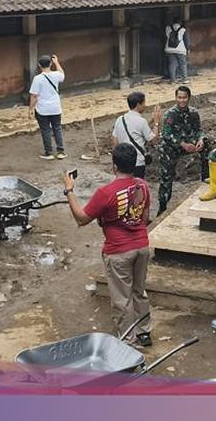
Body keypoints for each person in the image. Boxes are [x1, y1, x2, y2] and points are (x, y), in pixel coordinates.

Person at [64, 144, 153, 346]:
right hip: (142, 246)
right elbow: (145, 218)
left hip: (118, 250)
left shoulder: (106, 192)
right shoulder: (143, 185)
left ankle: (127, 340)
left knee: (122, 298)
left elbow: (81, 218)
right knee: (139, 290)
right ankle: (144, 332)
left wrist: (69, 191)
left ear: (114, 166)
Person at [155, 86, 211, 214]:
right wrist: (182, 144)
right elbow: (166, 135)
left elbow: (198, 130)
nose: (182, 100)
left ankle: (206, 182)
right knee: (166, 176)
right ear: (176, 98)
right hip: (172, 147)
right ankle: (163, 205)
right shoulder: (170, 114)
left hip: (189, 144)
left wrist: (200, 140)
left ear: (189, 98)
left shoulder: (193, 113)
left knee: (208, 144)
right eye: (179, 97)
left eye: (184, 97)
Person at [111, 91, 161, 179]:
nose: (145, 105)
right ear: (138, 105)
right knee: (136, 189)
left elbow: (115, 142)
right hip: (137, 162)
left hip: (122, 163)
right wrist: (156, 123)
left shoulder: (120, 119)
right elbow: (154, 140)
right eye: (144, 103)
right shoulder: (141, 121)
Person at [28, 54, 66, 160]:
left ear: (39, 65)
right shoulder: (56, 75)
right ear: (50, 64)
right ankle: (60, 151)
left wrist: (30, 109)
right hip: (55, 107)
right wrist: (57, 62)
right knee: (57, 128)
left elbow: (34, 96)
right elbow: (62, 74)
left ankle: (49, 153)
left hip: (43, 109)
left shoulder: (37, 79)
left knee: (46, 130)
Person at [164, 19, 190, 83]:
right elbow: (186, 41)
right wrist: (187, 49)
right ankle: (184, 79)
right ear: (180, 22)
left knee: (172, 64)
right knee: (183, 64)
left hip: (169, 49)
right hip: (180, 50)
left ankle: (172, 79)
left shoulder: (168, 28)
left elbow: (166, 37)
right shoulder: (183, 30)